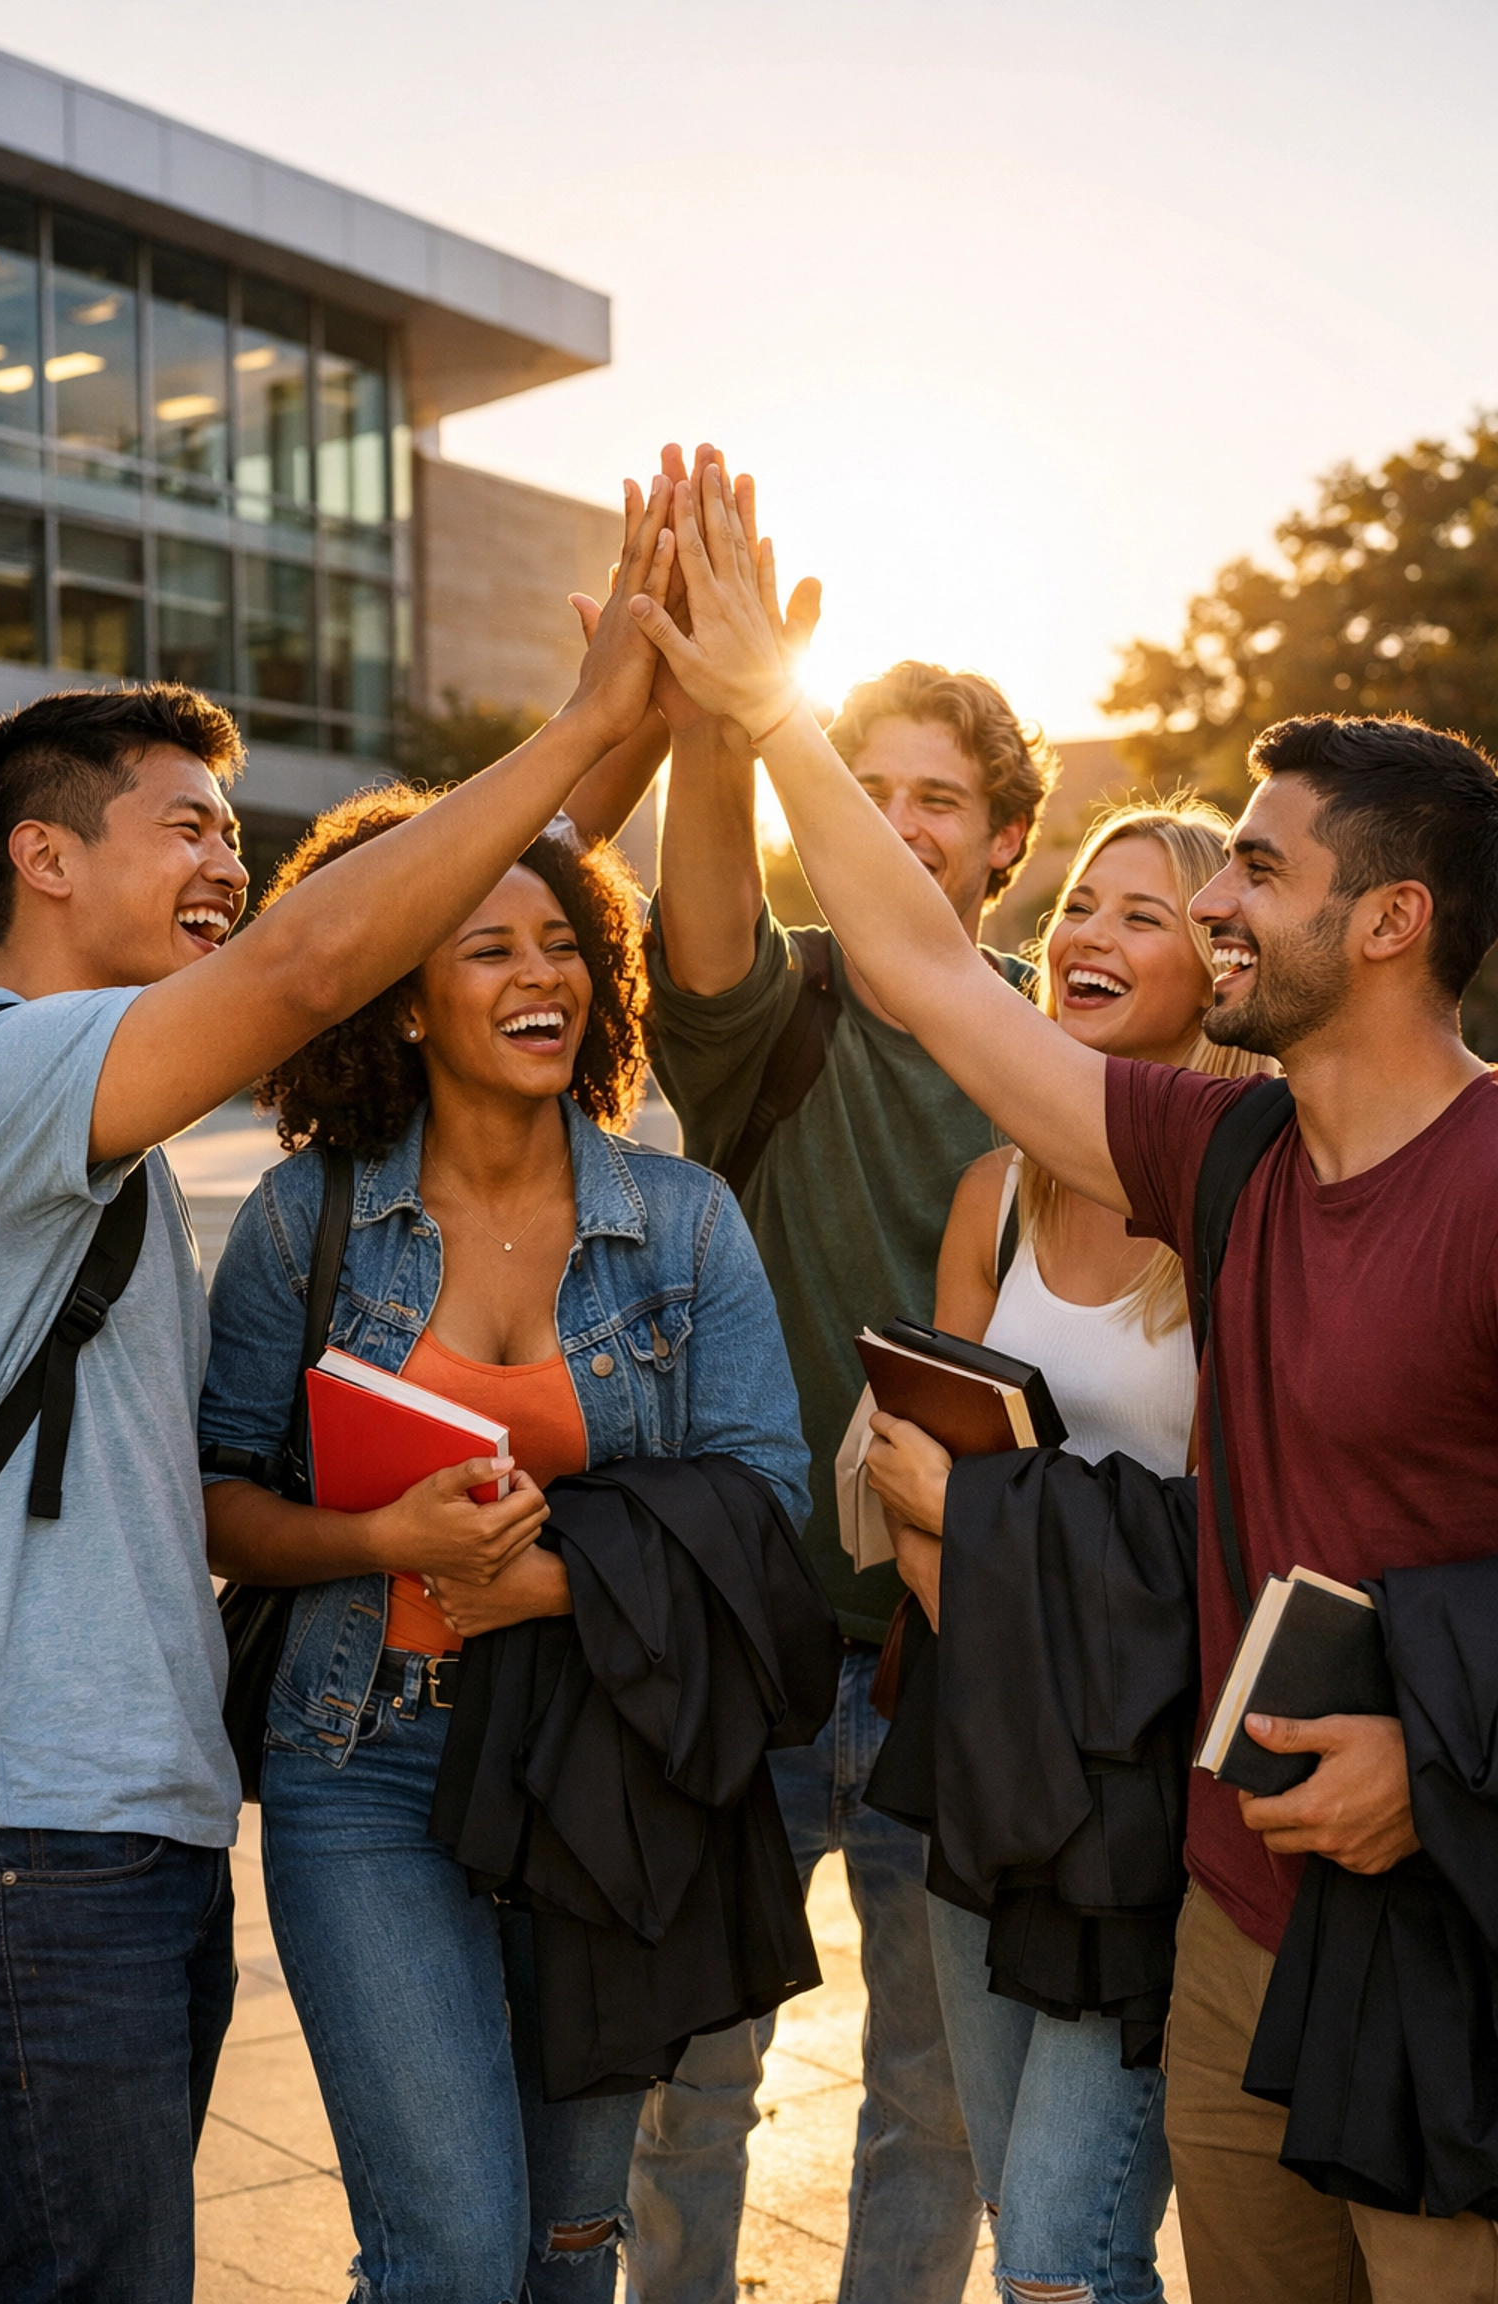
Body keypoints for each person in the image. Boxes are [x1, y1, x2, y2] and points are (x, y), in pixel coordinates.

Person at [628, 461, 1498, 2302]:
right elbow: (939, 979)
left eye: (1256, 871)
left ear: (1397, 921)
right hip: (1226, 1913)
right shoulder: (1220, 1151)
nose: (1215, 903)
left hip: (1449, 1928)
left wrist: (1443, 1755)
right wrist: (762, 714)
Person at [0, 473, 680, 2303]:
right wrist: (584, 723)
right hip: (34, 1842)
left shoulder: (93, 1117)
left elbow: (429, 945)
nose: (230, 864)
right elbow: (318, 955)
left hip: (119, 1823)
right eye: (189, 827)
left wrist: (628, 753)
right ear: (44, 859)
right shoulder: (3, 1075)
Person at [197, 789, 812, 2304]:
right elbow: (209, 1500)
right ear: (405, 997)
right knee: (453, 2255)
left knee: (564, 2245)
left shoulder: (682, 1225)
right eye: (487, 949)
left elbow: (767, 1493)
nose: (541, 977)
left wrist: (547, 1582)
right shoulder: (304, 1223)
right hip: (368, 1771)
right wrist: (377, 1535)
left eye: (564, 944)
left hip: (603, 1773)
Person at [627, 452, 1053, 2304]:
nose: (897, 825)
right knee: (689, 2083)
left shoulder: (1056, 1044)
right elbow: (703, 900)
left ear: (1003, 847)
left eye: (937, 803)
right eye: (864, 789)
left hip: (960, 1663)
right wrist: (728, 718)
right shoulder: (772, 1007)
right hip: (756, 1643)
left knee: (937, 2103)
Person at [864, 801, 1271, 2304]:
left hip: (1154, 1786)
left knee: (1059, 2253)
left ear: (1220, 968)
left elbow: (1234, 1535)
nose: (1087, 936)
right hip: (984, 1755)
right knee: (1014, 2199)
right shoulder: (996, 1193)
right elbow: (918, 1478)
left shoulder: (1247, 1215)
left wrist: (989, 1559)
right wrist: (974, 1565)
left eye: (1141, 915)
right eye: (1081, 906)